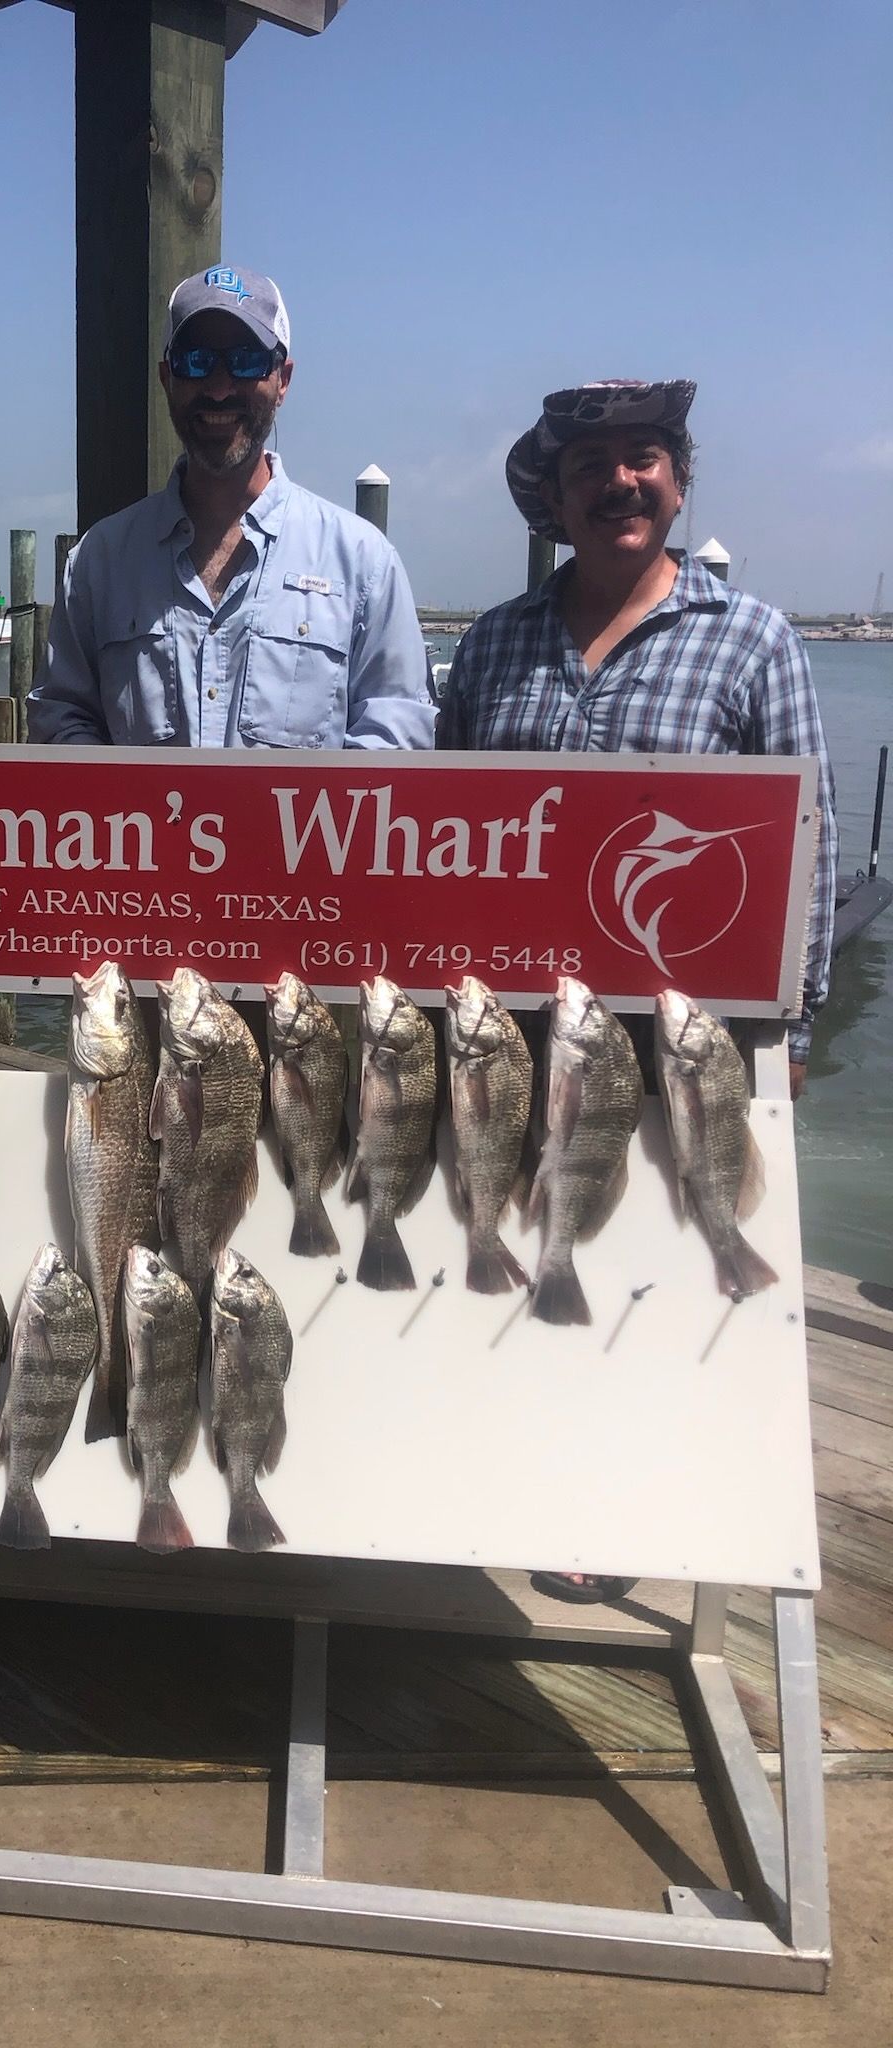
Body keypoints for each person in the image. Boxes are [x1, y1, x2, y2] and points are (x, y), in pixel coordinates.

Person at [439, 377, 838, 1606]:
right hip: (508, 1033)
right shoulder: (496, 641)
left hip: (675, 1038)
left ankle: (623, 1505)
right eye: (594, 464)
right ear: (551, 499)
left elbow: (806, 839)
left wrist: (795, 1022)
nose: (623, 480)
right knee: (505, 1235)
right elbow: (435, 822)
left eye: (647, 458)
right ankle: (503, 1473)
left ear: (680, 480)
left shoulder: (754, 636)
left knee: (661, 1260)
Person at [27, 265, 434, 751]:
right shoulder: (99, 563)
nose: (219, 387)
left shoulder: (365, 563)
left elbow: (396, 740)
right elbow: (62, 720)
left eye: (245, 361)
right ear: (166, 378)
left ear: (283, 379)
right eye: (195, 361)